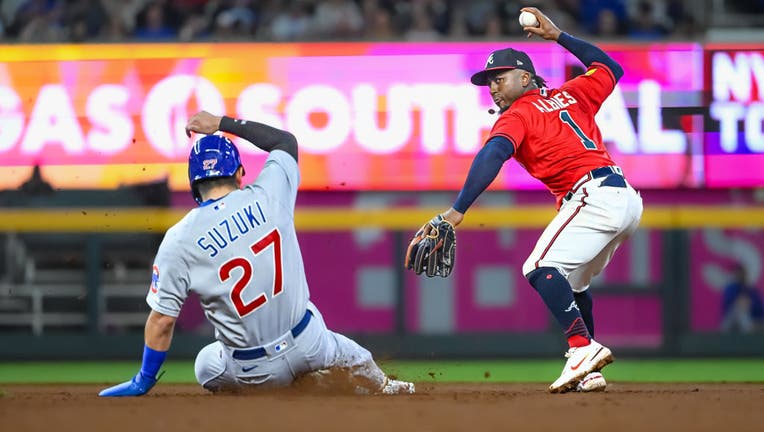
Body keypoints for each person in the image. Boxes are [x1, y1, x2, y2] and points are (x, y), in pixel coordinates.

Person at [99, 111, 415, 396]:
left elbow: (162, 321)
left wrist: (144, 379)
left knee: (205, 366)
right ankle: (388, 389)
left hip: (251, 372)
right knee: (358, 359)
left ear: (195, 186)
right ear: (239, 173)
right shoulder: (269, 193)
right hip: (310, 344)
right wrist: (222, 124)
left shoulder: (178, 238)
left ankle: (278, 395)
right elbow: (284, 141)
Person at [416, 7, 642, 393]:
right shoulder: (572, 94)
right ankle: (589, 369)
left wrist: (457, 211)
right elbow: (609, 68)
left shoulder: (517, 114)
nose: (493, 87)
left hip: (592, 196)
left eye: (500, 78)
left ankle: (581, 348)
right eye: (489, 81)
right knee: (572, 285)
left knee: (538, 268)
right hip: (624, 197)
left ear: (525, 77)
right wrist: (559, 36)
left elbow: (492, 156)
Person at [721, 263, 763, 334]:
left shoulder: (751, 290)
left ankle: (749, 332)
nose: (740, 275)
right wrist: (739, 302)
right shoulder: (731, 288)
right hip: (731, 318)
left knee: (742, 311)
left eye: (742, 273)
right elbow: (727, 305)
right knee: (739, 309)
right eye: (738, 273)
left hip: (749, 318)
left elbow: (760, 308)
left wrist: (749, 303)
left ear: (745, 274)